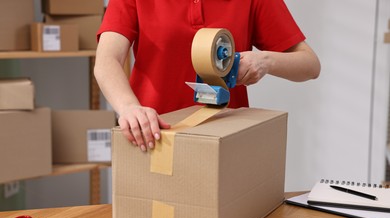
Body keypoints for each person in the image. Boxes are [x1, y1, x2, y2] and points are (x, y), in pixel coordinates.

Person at [94, 0, 321, 152]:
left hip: (225, 144)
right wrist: (129, 108)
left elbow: (310, 65)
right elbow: (106, 61)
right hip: (154, 140)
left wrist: (265, 61)